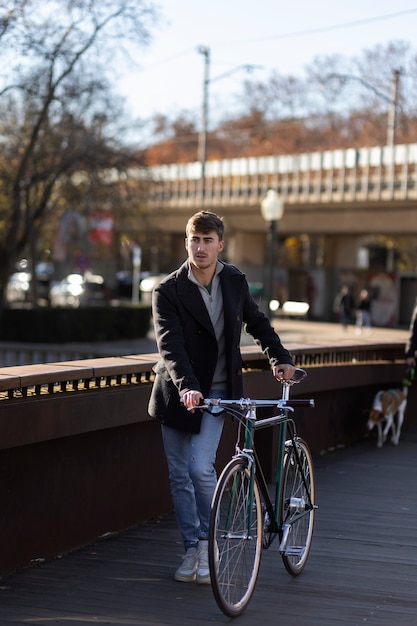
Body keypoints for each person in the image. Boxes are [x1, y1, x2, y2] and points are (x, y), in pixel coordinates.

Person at [148, 210, 296, 585]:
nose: (200, 247)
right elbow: (171, 346)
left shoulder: (233, 281)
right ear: (186, 242)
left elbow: (257, 322)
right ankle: (191, 549)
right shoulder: (168, 290)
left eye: (208, 240)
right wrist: (186, 386)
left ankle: (209, 539)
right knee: (179, 476)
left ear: (220, 244)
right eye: (194, 240)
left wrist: (279, 358)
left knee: (200, 467)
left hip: (216, 392)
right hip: (177, 393)